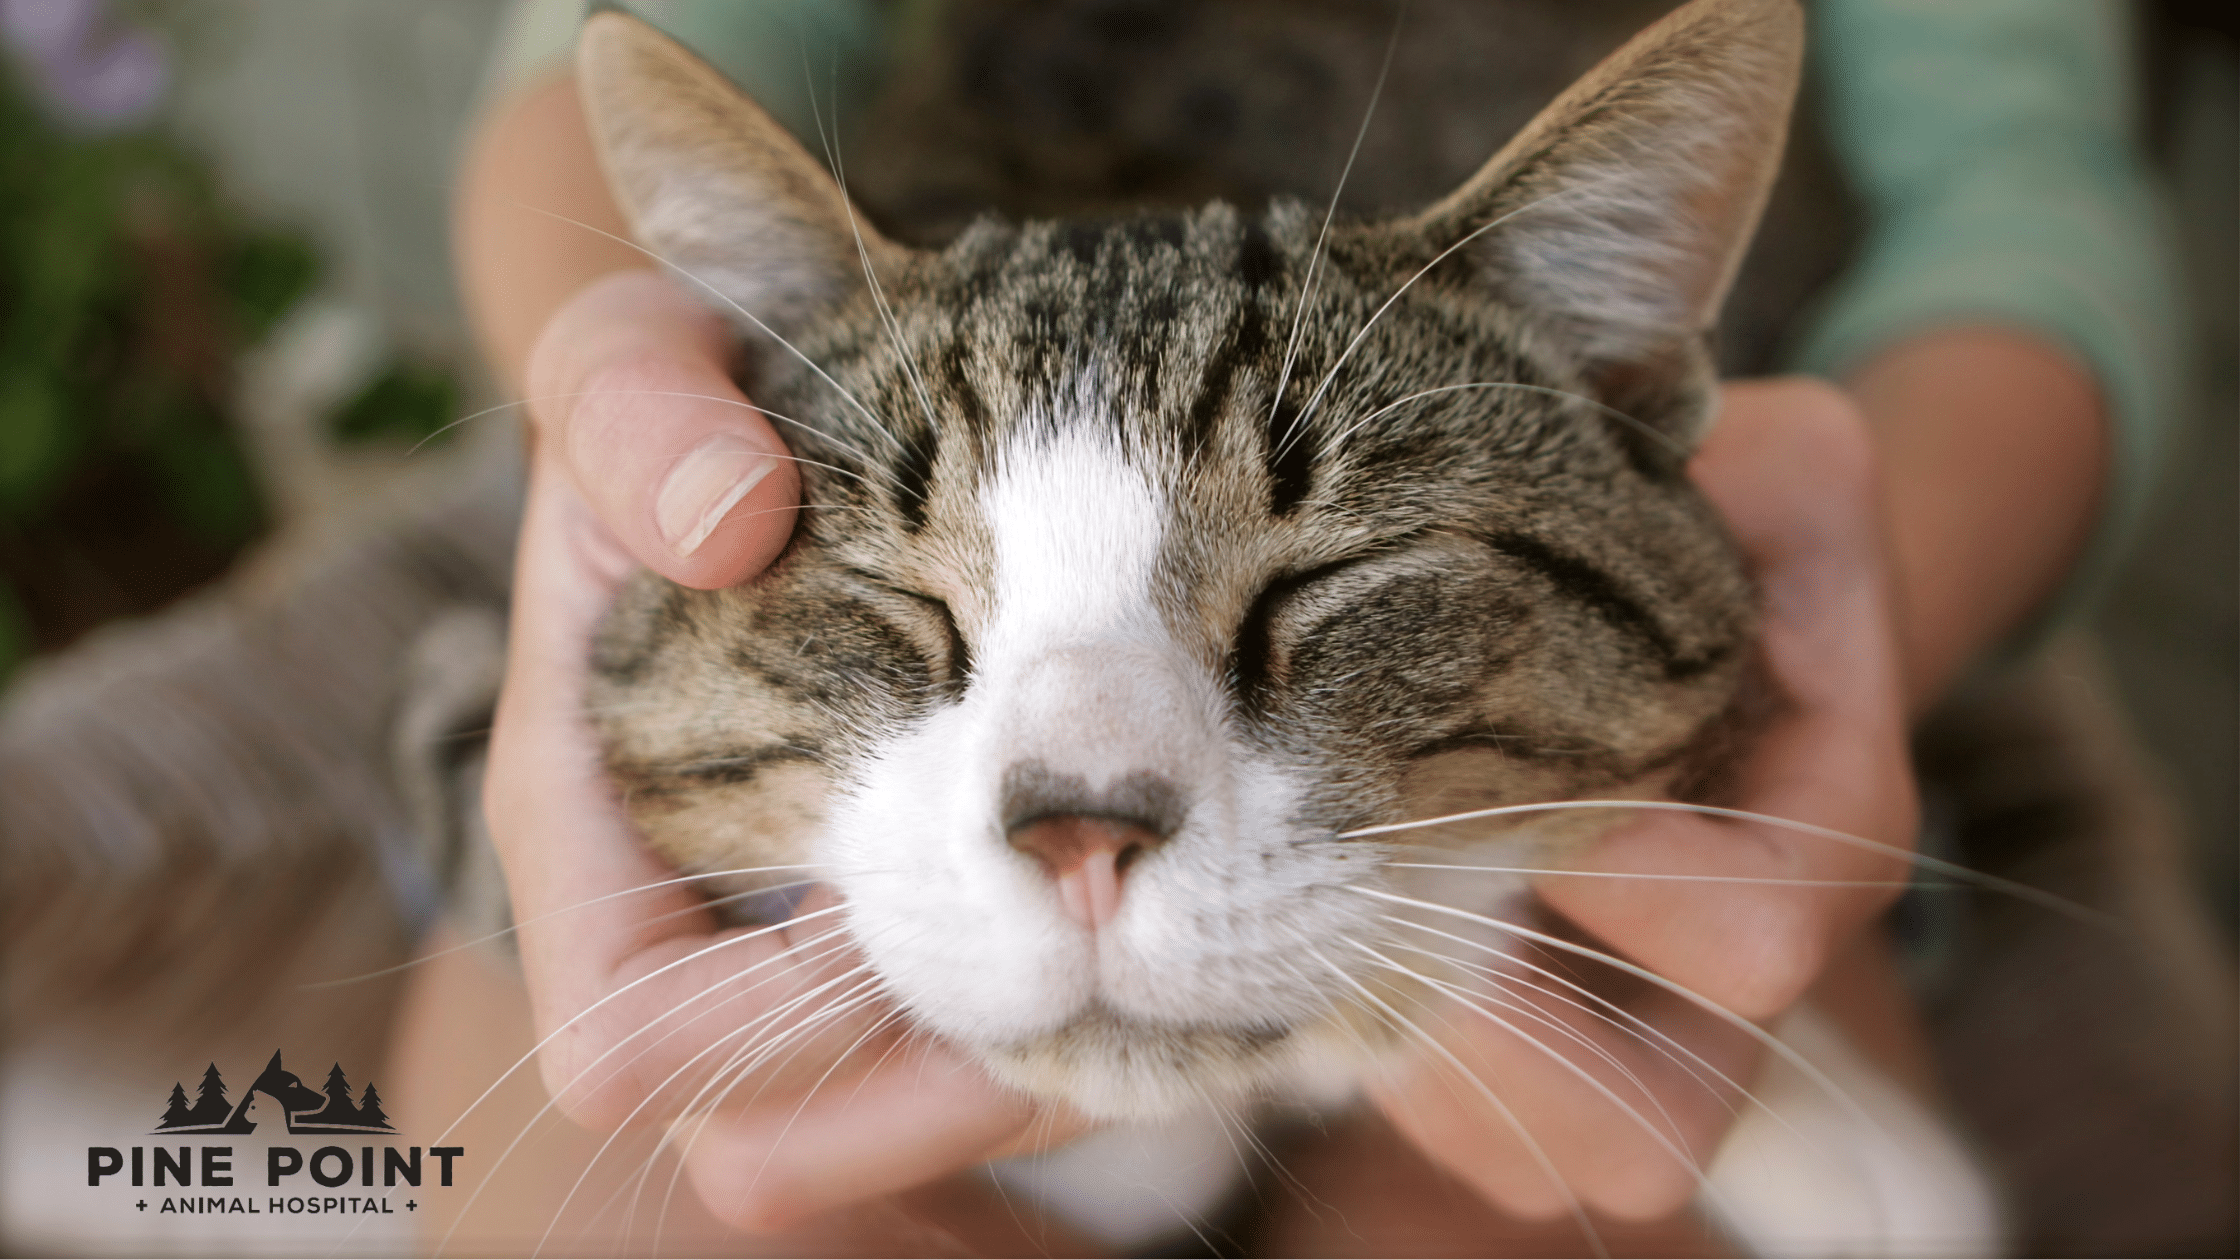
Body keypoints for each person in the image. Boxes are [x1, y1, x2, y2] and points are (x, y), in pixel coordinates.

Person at [447, 0, 2179, 1249]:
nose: (1084, 822)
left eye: (1318, 596)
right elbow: (624, 61)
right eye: (915, 615)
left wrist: (1844, 640)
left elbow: (2019, 206)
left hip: (1775, 462)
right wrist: (609, 421)